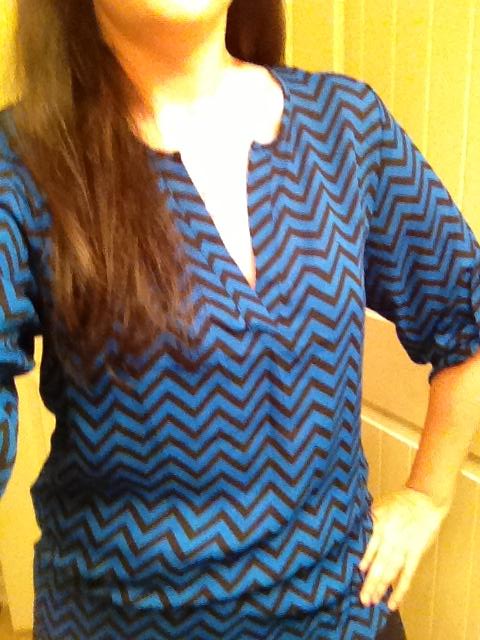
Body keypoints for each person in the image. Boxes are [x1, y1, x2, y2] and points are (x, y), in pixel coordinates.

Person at [0, 0, 479, 638]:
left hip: (344, 612)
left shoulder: (347, 127)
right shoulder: (21, 162)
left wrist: (427, 496)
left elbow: (467, 310)